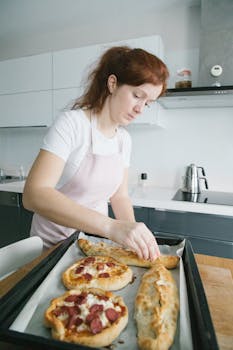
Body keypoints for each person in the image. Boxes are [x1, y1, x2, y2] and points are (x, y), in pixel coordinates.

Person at [23, 45, 169, 261]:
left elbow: (119, 196)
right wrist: (111, 227)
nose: (140, 108)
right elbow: (34, 194)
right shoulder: (72, 125)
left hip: (92, 249)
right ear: (113, 84)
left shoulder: (123, 140)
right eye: (137, 95)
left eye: (147, 103)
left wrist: (133, 234)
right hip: (51, 251)